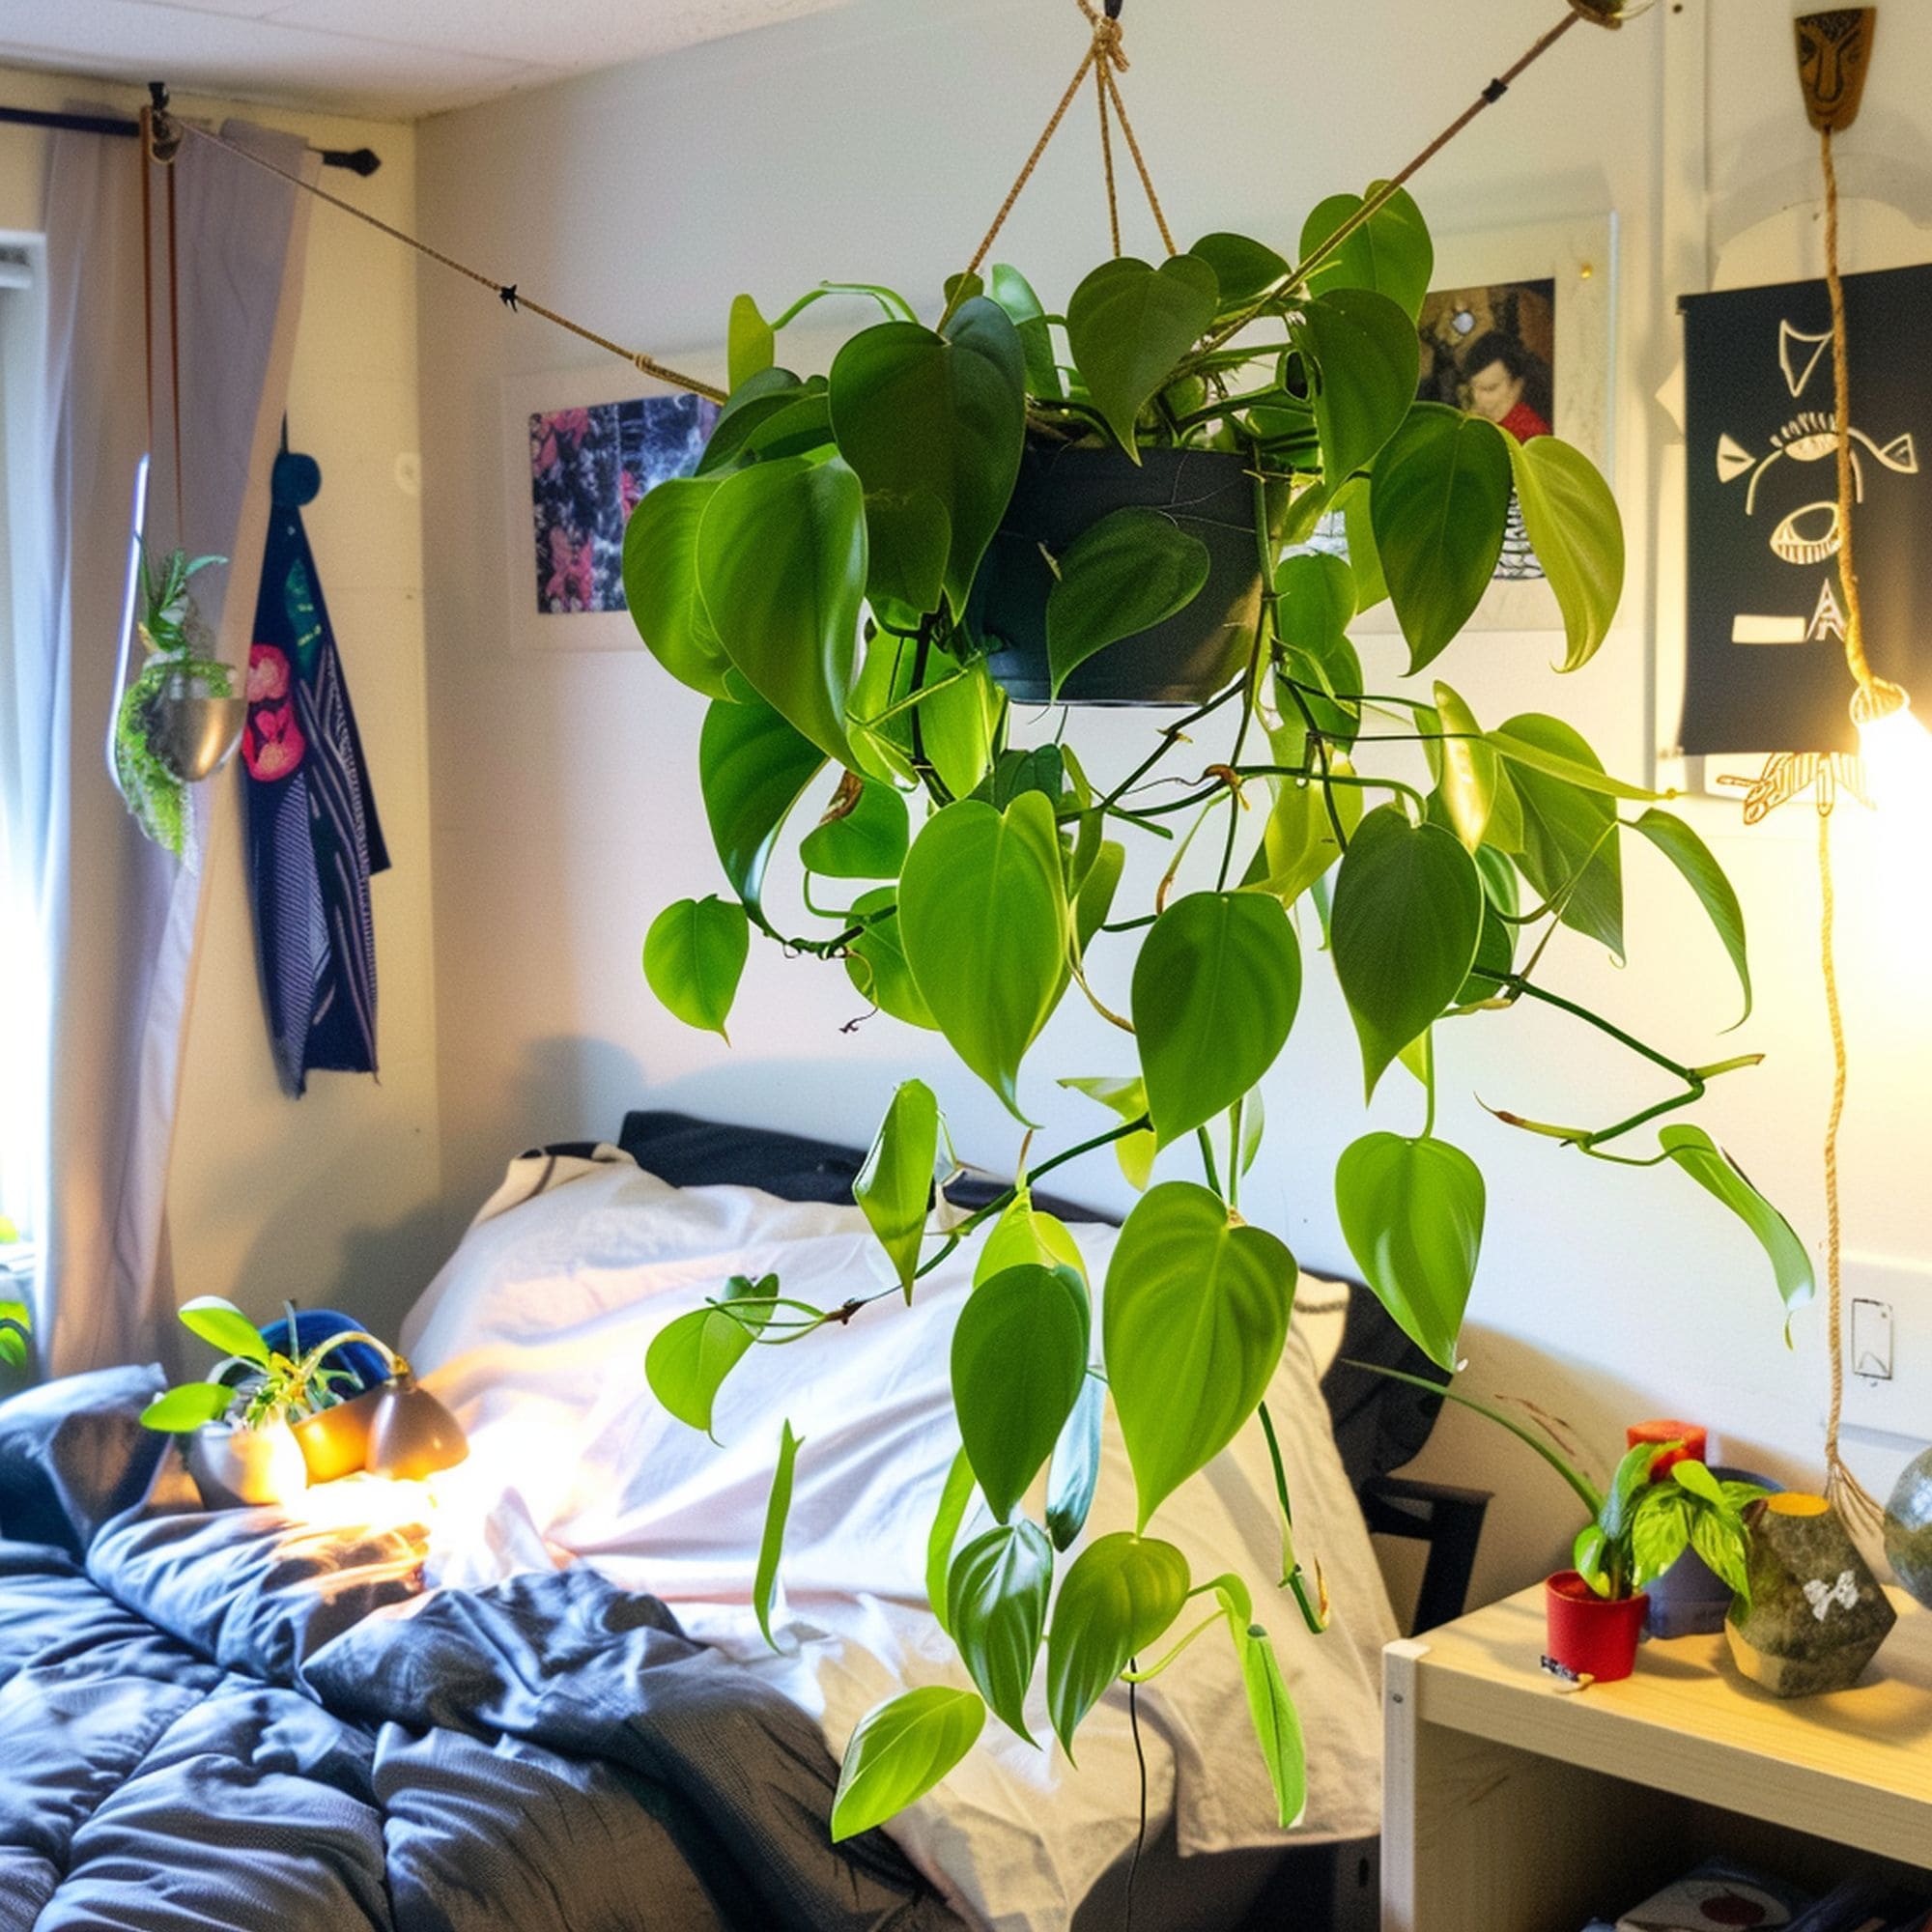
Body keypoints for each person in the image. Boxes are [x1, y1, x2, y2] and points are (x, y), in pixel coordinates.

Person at [1462, 330, 1552, 440]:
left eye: (1490, 388)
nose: (1480, 399)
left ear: (1517, 386)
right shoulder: (1479, 425)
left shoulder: (1530, 433)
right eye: (1473, 388)